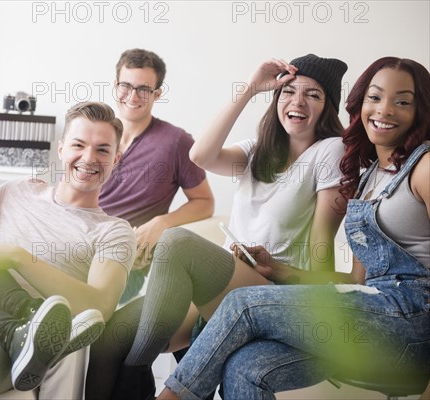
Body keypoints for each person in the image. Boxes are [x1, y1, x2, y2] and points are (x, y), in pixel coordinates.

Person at [157, 57, 430, 400]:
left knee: (242, 304)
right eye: (375, 98)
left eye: (402, 101)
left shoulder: (425, 166)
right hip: (369, 316)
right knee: (243, 368)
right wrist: (280, 270)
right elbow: (354, 283)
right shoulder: (368, 179)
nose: (385, 110)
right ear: (360, 104)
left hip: (413, 327)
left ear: (420, 110)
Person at [89, 54, 349, 400]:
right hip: (227, 284)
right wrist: (251, 88)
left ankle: (137, 371)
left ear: (328, 107)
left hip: (276, 291)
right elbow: (201, 156)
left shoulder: (330, 151)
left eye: (313, 95)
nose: (297, 102)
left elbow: (320, 257)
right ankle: (134, 375)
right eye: (288, 92)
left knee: (177, 242)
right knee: (110, 339)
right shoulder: (257, 152)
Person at [0, 101, 137, 399]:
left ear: (116, 159)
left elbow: (99, 306)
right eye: (79, 144)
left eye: (102, 150)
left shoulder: (114, 231)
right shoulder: (19, 189)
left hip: (6, 345)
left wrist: (17, 256)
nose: (89, 158)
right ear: (61, 149)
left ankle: (23, 326)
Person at [99, 48, 214, 303]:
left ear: (157, 94)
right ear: (115, 85)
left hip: (124, 263)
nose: (132, 96)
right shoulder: (95, 133)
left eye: (143, 89)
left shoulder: (177, 142)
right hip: (75, 244)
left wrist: (163, 222)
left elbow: (205, 202)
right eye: (125, 86)